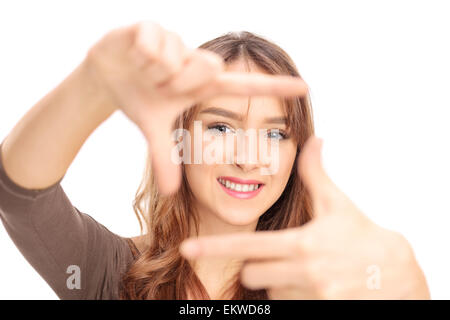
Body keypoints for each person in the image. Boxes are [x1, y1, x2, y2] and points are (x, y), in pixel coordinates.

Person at [0, 21, 430, 300]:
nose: (247, 159)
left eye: (275, 133)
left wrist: (410, 291)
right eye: (221, 128)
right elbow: (21, 196)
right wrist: (92, 85)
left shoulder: (323, 284)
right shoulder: (108, 272)